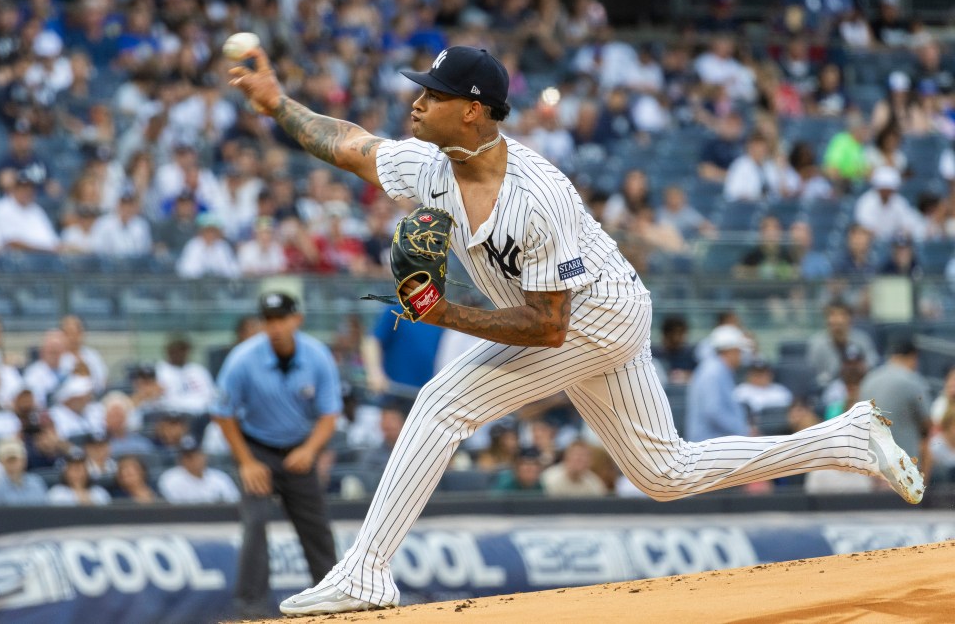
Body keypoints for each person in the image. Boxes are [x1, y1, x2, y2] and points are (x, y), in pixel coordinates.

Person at [229, 43, 924, 617]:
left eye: (432, 94)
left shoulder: (537, 196)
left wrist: (445, 316)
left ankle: (368, 571)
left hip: (598, 313)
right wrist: (276, 103)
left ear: (473, 111)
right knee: (664, 472)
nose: (416, 100)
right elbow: (349, 144)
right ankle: (846, 439)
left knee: (443, 404)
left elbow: (548, 326)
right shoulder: (432, 166)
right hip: (577, 317)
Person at [210, 292, 342, 618]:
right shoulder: (243, 359)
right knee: (254, 523)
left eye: (281, 319)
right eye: (269, 320)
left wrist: (310, 450)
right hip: (256, 447)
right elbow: (222, 412)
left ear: (297, 319)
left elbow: (329, 414)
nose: (275, 327)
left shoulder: (317, 356)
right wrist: (247, 462)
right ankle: (250, 609)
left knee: (317, 529)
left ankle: (334, 602)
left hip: (299, 448)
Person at [859, 337, 932, 472]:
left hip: (872, 466)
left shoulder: (868, 381)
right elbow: (928, 425)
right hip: (904, 468)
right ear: (913, 357)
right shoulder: (913, 381)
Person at [685, 325, 751, 441]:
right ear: (729, 351)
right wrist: (743, 431)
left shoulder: (717, 370)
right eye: (739, 351)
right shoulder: (713, 372)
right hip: (709, 447)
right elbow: (714, 411)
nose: (741, 356)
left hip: (715, 445)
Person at [806, 300, 879, 388]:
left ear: (850, 318)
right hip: (828, 387)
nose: (838, 320)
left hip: (859, 384)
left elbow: (873, 361)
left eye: (842, 315)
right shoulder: (817, 343)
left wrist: (861, 368)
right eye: (832, 315)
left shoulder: (862, 339)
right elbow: (812, 372)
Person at [157, 435, 240, 503]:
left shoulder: (220, 477)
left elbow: (234, 501)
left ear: (205, 456)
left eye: (197, 455)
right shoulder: (170, 478)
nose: (194, 460)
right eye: (188, 457)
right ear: (180, 460)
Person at [0, 438, 49, 506]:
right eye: (9, 461)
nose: (13, 465)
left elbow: (44, 512)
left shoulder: (36, 483)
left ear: (24, 460)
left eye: (15, 460)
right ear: (1, 462)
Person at [540, 440, 606, 497]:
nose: (580, 459)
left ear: (589, 462)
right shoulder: (549, 478)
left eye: (584, 457)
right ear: (566, 458)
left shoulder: (594, 483)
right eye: (577, 456)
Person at [47, 447, 112, 506]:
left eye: (80, 469)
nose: (77, 473)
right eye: (73, 469)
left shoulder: (99, 492)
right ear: (65, 473)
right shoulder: (57, 492)